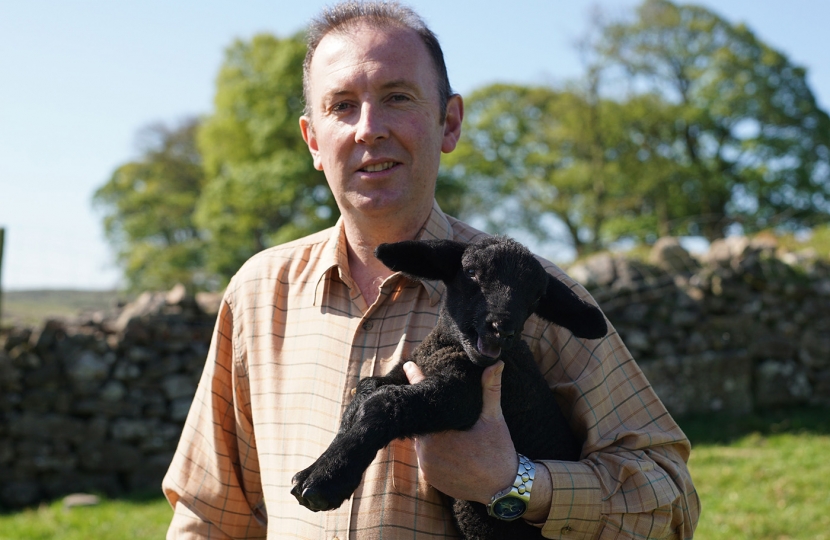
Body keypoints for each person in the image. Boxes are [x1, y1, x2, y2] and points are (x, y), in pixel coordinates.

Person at [162, 2, 700, 538]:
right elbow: (209, 516)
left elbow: (670, 504)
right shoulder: (259, 293)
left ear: (450, 122)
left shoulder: (530, 295)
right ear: (312, 141)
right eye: (342, 106)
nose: (368, 129)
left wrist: (514, 482)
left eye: (397, 97)